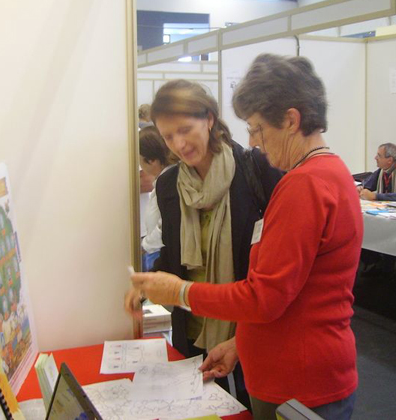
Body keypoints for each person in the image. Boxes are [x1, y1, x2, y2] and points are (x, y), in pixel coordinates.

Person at [129, 54, 363, 420]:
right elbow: (290, 289)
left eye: (256, 128)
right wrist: (243, 342)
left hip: (296, 376)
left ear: (291, 120)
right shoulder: (327, 172)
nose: (253, 140)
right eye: (168, 136)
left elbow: (263, 296)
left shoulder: (302, 184)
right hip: (291, 366)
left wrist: (180, 292)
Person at [126, 79, 282, 406]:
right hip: (193, 328)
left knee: (256, 407)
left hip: (250, 328)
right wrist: (146, 285)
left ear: (209, 119)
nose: (179, 144)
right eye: (169, 136)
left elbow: (278, 260)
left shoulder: (256, 170)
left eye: (186, 130)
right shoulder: (169, 185)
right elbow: (172, 256)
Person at [139, 125, 177, 271]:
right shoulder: (164, 181)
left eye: (140, 160)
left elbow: (166, 226)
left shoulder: (168, 182)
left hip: (159, 252)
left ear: (151, 160)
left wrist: (145, 246)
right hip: (156, 249)